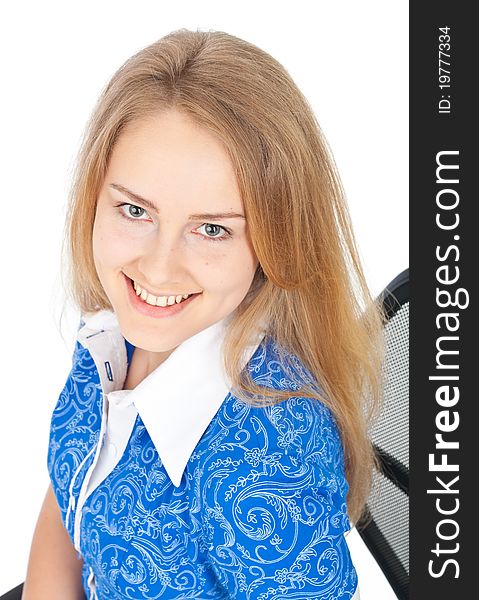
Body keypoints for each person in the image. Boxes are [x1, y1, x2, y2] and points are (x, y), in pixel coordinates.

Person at [22, 29, 384, 599]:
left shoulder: (267, 462)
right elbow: (72, 499)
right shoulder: (110, 340)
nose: (159, 269)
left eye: (211, 228)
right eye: (134, 209)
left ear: (275, 243)